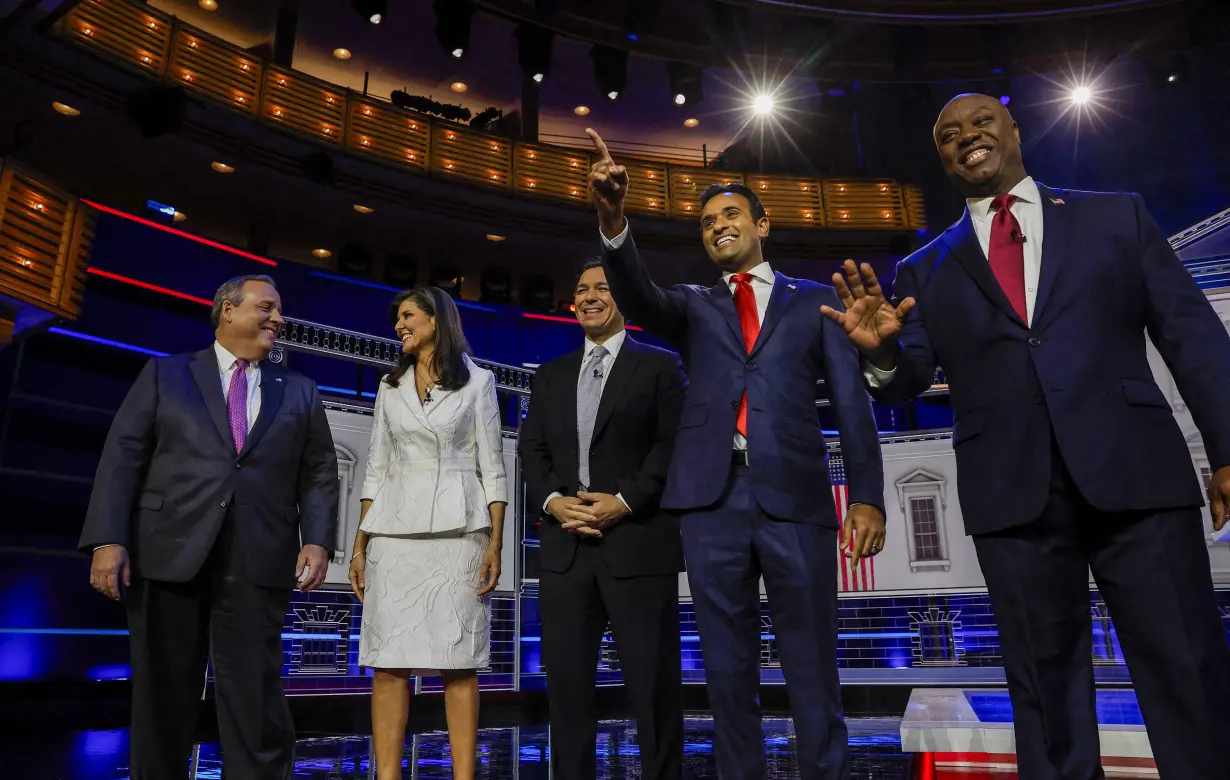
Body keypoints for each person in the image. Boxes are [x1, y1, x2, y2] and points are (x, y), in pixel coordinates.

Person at [822, 93, 1230, 779]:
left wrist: (1227, 449)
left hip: (1136, 477)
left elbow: (1191, 333)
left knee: (1187, 668)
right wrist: (881, 354)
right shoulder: (924, 266)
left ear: (1014, 131)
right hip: (1014, 498)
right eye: (948, 134)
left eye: (981, 122)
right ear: (942, 158)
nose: (966, 137)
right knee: (1044, 693)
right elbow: (906, 379)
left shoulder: (1114, 214)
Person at [585, 129, 887, 780]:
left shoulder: (818, 302)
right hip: (711, 504)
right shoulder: (693, 307)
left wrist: (866, 494)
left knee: (812, 663)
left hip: (796, 498)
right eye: (705, 222)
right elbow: (637, 293)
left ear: (761, 223)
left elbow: (852, 401)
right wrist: (614, 221)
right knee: (726, 669)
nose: (717, 227)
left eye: (729, 215)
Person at [78, 274, 339, 779]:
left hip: (258, 558)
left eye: (279, 311)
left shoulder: (301, 390)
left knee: (256, 695)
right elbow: (122, 458)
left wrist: (319, 540)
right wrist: (108, 539)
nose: (278, 319)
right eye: (267, 307)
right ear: (227, 310)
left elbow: (321, 472)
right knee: (162, 693)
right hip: (166, 552)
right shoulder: (165, 375)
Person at [518, 259, 687, 780]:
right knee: (568, 690)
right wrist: (552, 501)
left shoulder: (661, 367)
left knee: (652, 687)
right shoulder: (549, 375)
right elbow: (533, 450)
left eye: (603, 288)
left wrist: (624, 501)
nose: (590, 296)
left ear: (624, 300)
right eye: (581, 289)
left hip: (638, 545)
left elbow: (670, 447)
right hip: (566, 553)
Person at [347, 286, 507, 780]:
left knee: (458, 661)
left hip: (460, 532)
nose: (400, 324)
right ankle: (388, 775)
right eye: (398, 317)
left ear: (436, 321)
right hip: (392, 533)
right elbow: (375, 467)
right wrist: (360, 543)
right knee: (389, 661)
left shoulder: (479, 382)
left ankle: (464, 776)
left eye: (409, 315)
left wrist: (496, 543)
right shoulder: (388, 387)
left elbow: (493, 468)